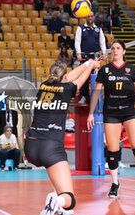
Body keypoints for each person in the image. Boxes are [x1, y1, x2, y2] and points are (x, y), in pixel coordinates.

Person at [25, 60, 100, 215]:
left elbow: (68, 77)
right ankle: (57, 201)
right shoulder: (66, 89)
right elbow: (78, 81)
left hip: (31, 146)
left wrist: (88, 63)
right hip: (50, 148)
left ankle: (58, 206)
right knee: (70, 200)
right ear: (64, 76)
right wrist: (91, 66)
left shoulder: (44, 85)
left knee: (63, 196)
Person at [87, 40, 135, 198]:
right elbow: (96, 93)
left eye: (118, 48)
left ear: (124, 51)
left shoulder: (131, 69)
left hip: (129, 112)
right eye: (113, 48)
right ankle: (114, 183)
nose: (115, 51)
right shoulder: (104, 70)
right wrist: (91, 113)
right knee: (112, 151)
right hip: (111, 112)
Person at [75, 11, 107, 103]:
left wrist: (104, 53)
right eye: (88, 16)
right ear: (85, 17)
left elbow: (102, 42)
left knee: (97, 78)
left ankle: (97, 97)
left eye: (92, 16)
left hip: (96, 58)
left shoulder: (98, 29)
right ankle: (84, 97)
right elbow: (77, 41)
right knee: (84, 78)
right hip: (85, 57)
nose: (90, 18)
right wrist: (78, 53)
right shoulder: (80, 28)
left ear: (94, 17)